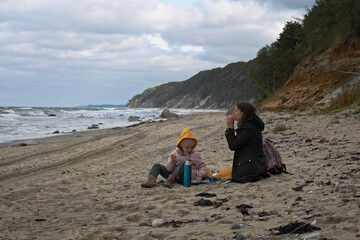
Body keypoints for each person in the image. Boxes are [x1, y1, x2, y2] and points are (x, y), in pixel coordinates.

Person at [141, 128, 207, 188]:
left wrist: (200, 175)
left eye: (192, 147)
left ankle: (170, 181)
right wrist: (172, 161)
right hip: (172, 176)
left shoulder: (195, 154)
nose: (190, 149)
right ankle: (151, 181)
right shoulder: (175, 153)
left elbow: (202, 166)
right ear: (181, 146)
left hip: (184, 177)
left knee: (184, 163)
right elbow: (169, 169)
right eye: (187, 147)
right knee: (156, 165)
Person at [225, 102, 268, 183]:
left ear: (243, 113)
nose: (234, 113)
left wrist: (230, 128)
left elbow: (233, 145)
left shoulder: (249, 128)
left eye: (236, 110)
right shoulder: (250, 125)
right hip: (253, 164)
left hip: (251, 169)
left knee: (222, 175)